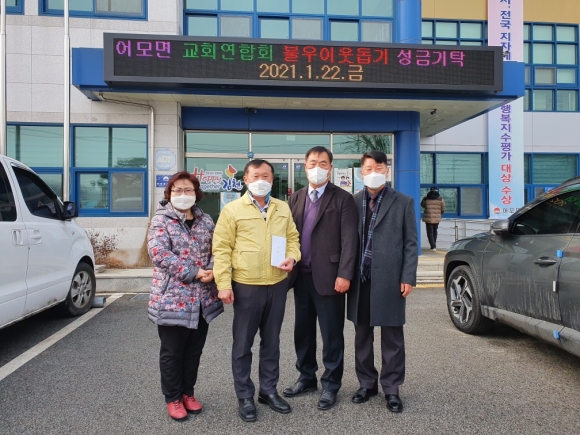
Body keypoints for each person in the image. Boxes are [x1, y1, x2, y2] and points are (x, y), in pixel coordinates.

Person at [212, 159, 301, 423]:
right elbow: (221, 248)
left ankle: (268, 391)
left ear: (272, 180)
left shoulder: (282, 207)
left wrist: (292, 257)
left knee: (271, 342)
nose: (261, 180)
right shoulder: (232, 210)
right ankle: (244, 396)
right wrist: (223, 284)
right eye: (255, 176)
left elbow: (293, 238)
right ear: (246, 180)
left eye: (266, 176)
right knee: (243, 343)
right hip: (246, 285)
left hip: (277, 283)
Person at [283, 146, 358, 410]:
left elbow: (350, 240)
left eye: (323, 163)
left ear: (330, 168)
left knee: (331, 334)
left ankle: (331, 385)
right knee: (302, 332)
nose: (318, 167)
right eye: (313, 163)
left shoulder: (343, 198)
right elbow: (288, 234)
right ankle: (306, 377)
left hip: (331, 277)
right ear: (305, 167)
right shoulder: (296, 198)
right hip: (300, 277)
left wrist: (345, 273)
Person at [147, 171, 224, 421]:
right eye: (177, 190)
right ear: (169, 193)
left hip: (202, 299)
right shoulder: (161, 220)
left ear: (196, 193)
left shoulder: (206, 220)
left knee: (194, 351)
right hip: (172, 299)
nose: (183, 194)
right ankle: (173, 397)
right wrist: (193, 271)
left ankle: (188, 393)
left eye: (188, 190)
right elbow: (159, 253)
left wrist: (212, 269)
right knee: (172, 351)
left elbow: (218, 248)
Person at [346, 150, 418, 413]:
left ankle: (392, 388)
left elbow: (411, 243)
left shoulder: (403, 202)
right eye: (368, 168)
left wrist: (408, 276)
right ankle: (366, 384)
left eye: (379, 168)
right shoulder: (353, 202)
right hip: (361, 279)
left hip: (390, 278)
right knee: (362, 336)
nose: (373, 173)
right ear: (361, 172)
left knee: (392, 337)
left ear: (387, 171)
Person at [421, 186, 445, 251]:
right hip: (437, 218)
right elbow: (443, 209)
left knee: (430, 232)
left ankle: (433, 246)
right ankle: (434, 245)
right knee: (435, 231)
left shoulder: (426, 198)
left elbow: (422, 205)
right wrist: (439, 214)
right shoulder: (440, 199)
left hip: (428, 218)